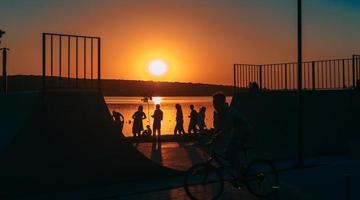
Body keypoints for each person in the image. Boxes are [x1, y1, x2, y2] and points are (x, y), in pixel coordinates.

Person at [209, 92, 251, 166]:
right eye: (213, 102)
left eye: (215, 102)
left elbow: (226, 129)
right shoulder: (219, 113)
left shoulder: (229, 112)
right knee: (227, 154)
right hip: (234, 133)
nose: (213, 104)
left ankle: (241, 172)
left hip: (242, 132)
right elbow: (218, 129)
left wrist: (215, 139)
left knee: (230, 152)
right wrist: (212, 140)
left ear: (221, 102)